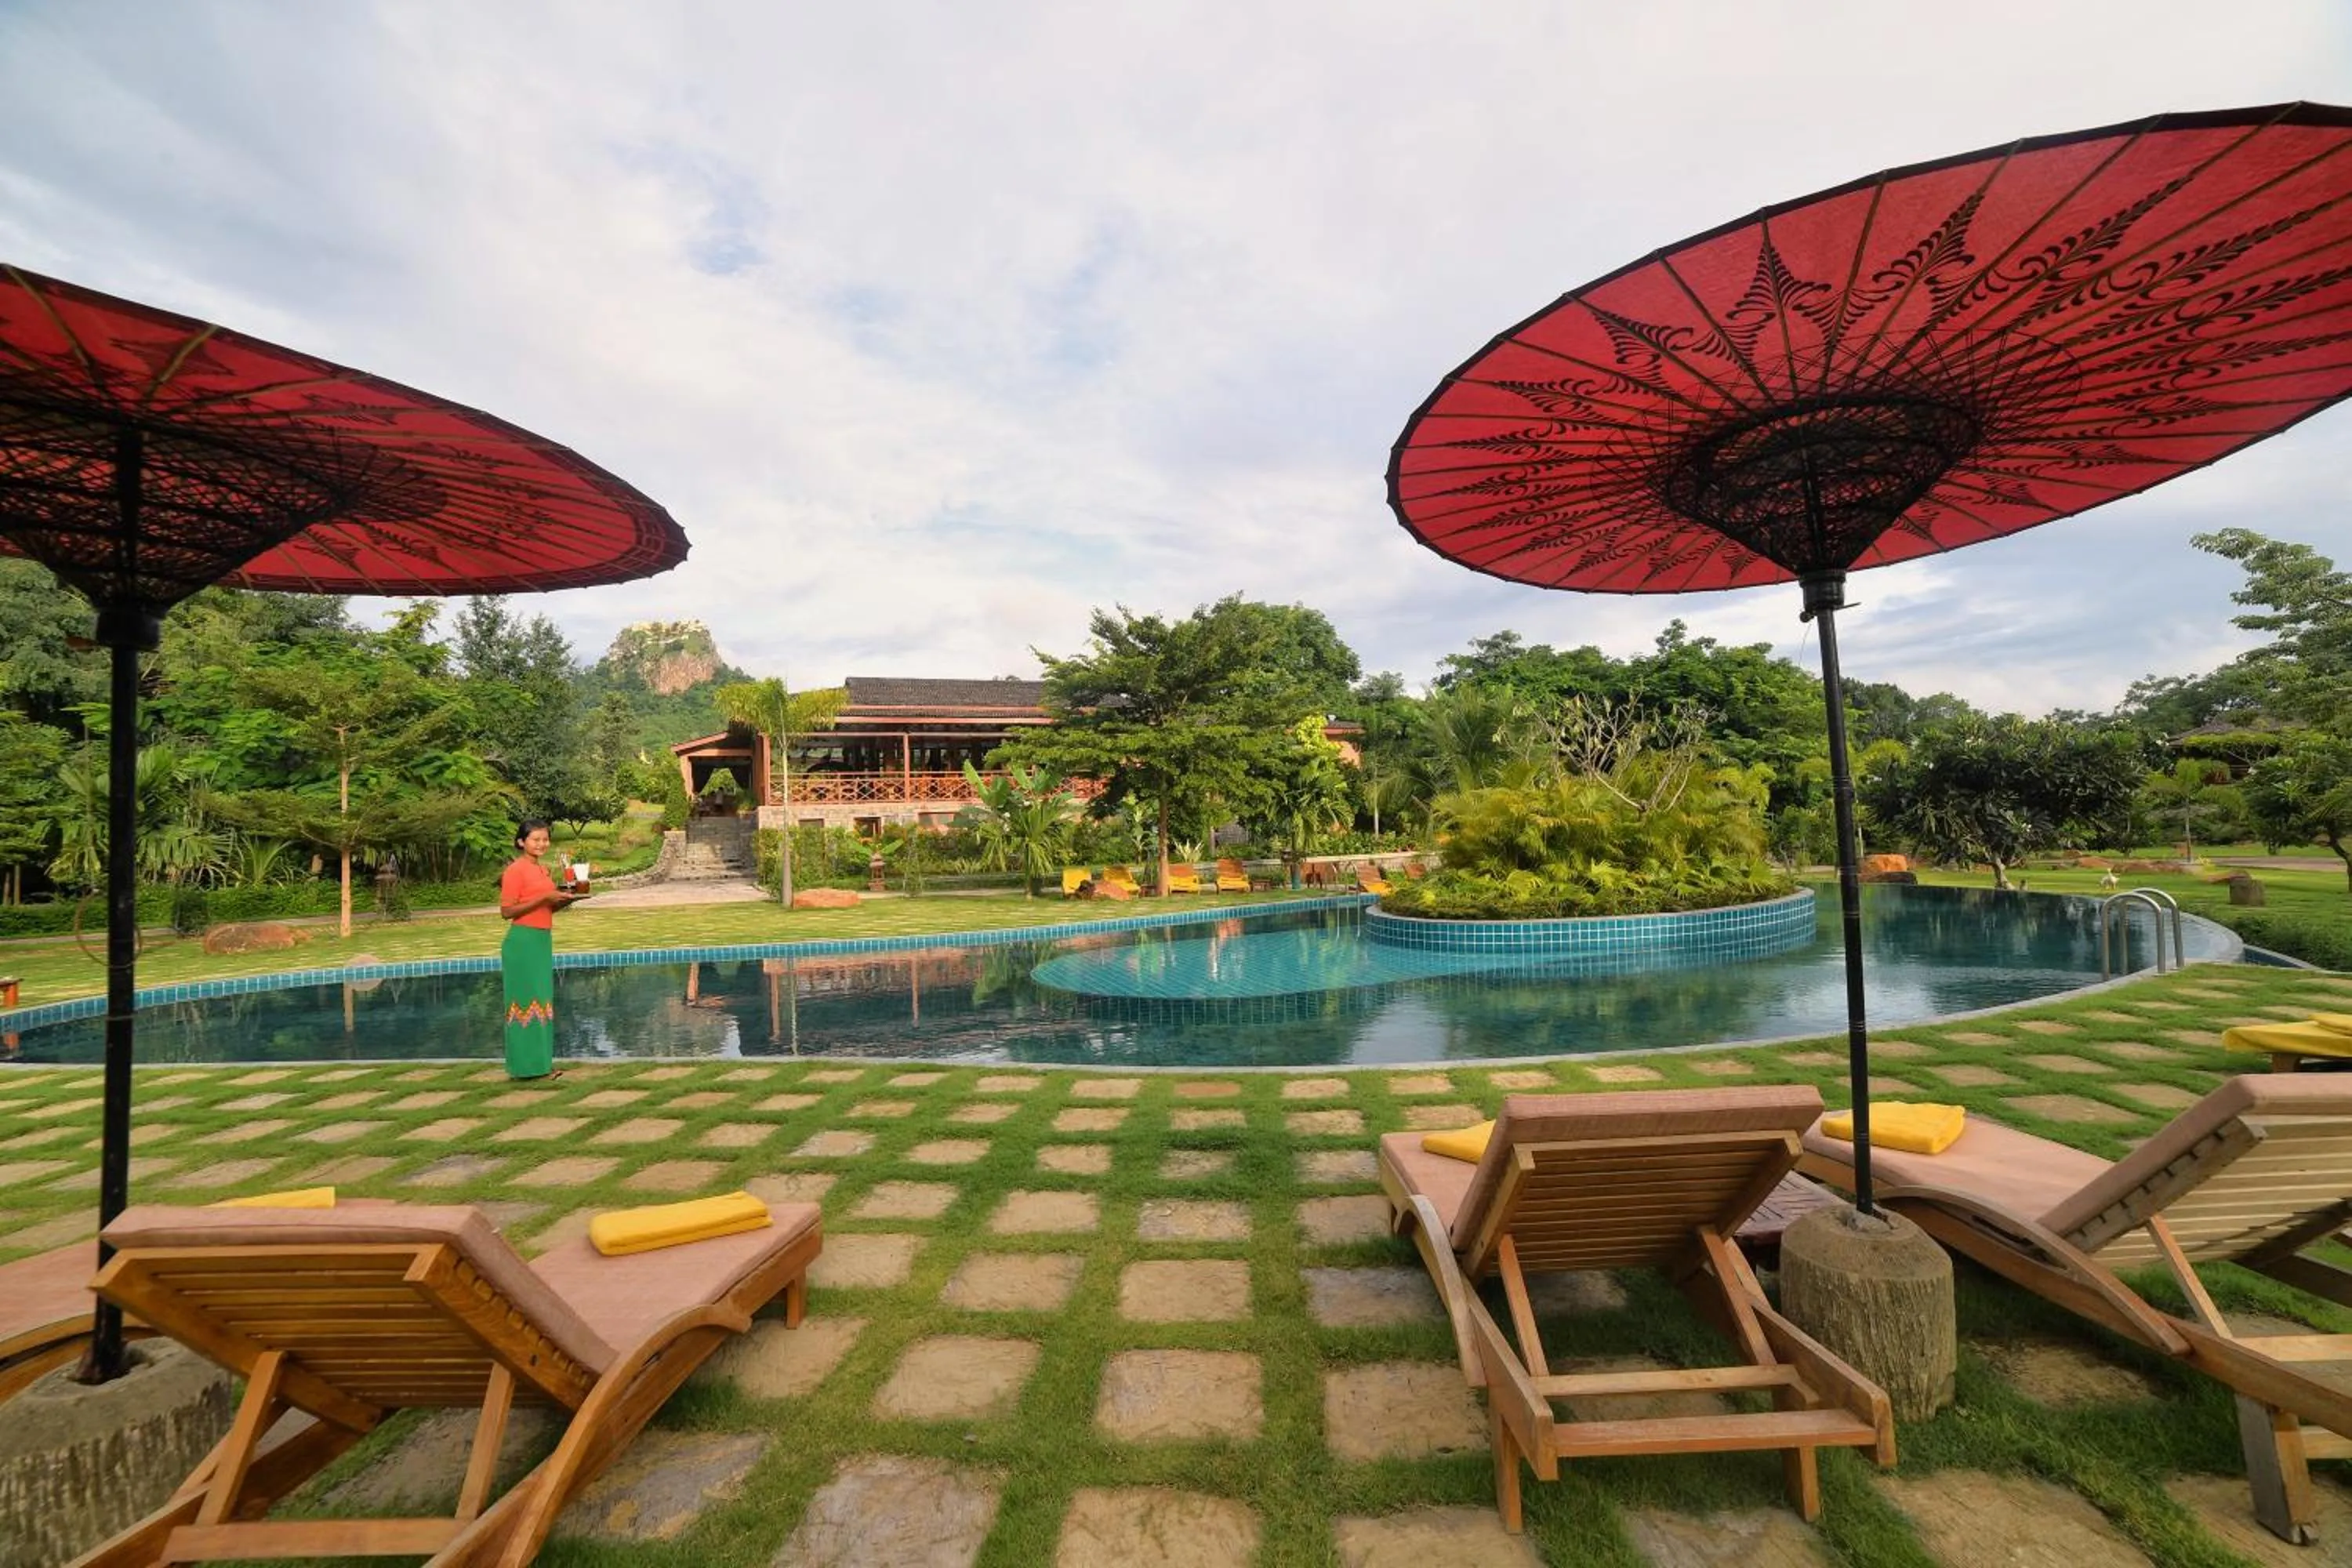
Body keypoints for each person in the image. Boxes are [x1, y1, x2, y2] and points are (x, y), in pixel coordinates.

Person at [498, 819, 579, 1080]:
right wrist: (545, 898)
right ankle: (525, 1068)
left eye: (545, 839)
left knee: (542, 1003)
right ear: (522, 842)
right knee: (525, 1004)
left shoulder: (543, 871)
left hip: (542, 940)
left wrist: (565, 901)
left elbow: (546, 907)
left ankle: (541, 1066)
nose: (542, 844)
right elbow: (507, 911)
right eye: (536, 839)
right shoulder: (515, 871)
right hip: (523, 942)